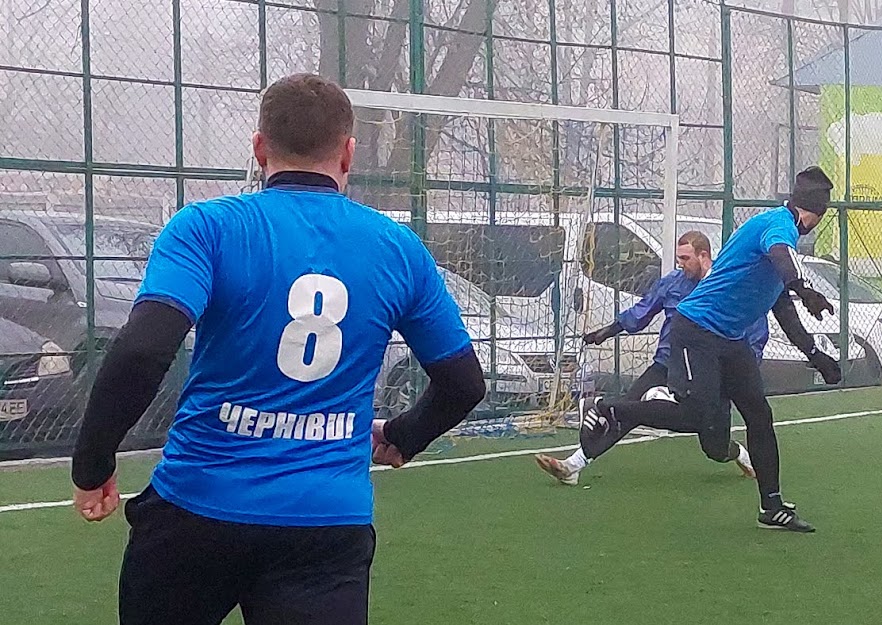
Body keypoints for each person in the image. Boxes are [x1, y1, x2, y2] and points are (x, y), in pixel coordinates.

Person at [70, 73, 486, 625]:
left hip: (194, 513)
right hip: (324, 528)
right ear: (349, 153)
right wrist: (403, 436)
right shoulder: (397, 248)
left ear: (259, 147)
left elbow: (142, 351)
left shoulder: (206, 228)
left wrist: (93, 462)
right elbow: (463, 385)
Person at [666, 166, 841, 533]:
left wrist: (816, 356)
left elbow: (783, 309)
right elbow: (782, 254)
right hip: (696, 330)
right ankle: (616, 412)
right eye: (818, 215)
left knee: (759, 416)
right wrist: (804, 287)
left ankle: (771, 506)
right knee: (699, 414)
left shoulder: (781, 233)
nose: (815, 222)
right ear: (809, 212)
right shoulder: (779, 226)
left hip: (730, 339)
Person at [534, 231, 767, 485]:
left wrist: (739, 374)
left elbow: (755, 335)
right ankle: (573, 465)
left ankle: (739, 453)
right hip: (667, 363)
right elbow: (641, 312)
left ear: (704, 256)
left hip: (711, 373)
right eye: (679, 258)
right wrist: (607, 331)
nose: (681, 264)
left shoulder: (728, 287)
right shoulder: (672, 283)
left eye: (686, 258)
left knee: (714, 446)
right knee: (627, 410)